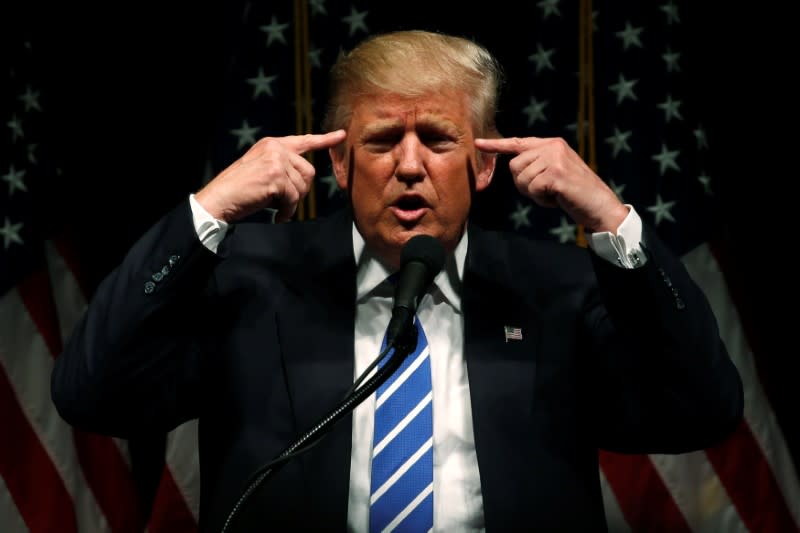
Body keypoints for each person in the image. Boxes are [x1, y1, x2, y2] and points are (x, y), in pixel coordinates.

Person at [51, 30, 743, 532]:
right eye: (382, 140)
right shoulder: (252, 279)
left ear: (482, 164)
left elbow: (705, 407)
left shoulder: (556, 287)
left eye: (439, 140)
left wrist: (614, 221)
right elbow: (90, 391)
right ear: (342, 164)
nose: (410, 165)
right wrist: (207, 210)